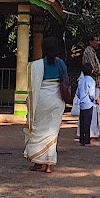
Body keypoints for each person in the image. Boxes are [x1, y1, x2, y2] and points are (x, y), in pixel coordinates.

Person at [23, 36, 71, 174]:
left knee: (37, 130)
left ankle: (37, 162)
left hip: (40, 100)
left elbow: (31, 87)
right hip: (56, 101)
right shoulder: (60, 63)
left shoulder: (35, 65)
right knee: (52, 132)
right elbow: (66, 81)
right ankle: (48, 164)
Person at [74, 60, 100, 146]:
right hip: (89, 103)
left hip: (82, 103)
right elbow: (92, 94)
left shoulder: (81, 80)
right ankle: (87, 140)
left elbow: (77, 93)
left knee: (82, 121)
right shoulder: (91, 81)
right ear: (91, 71)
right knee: (87, 122)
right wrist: (95, 99)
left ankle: (82, 139)